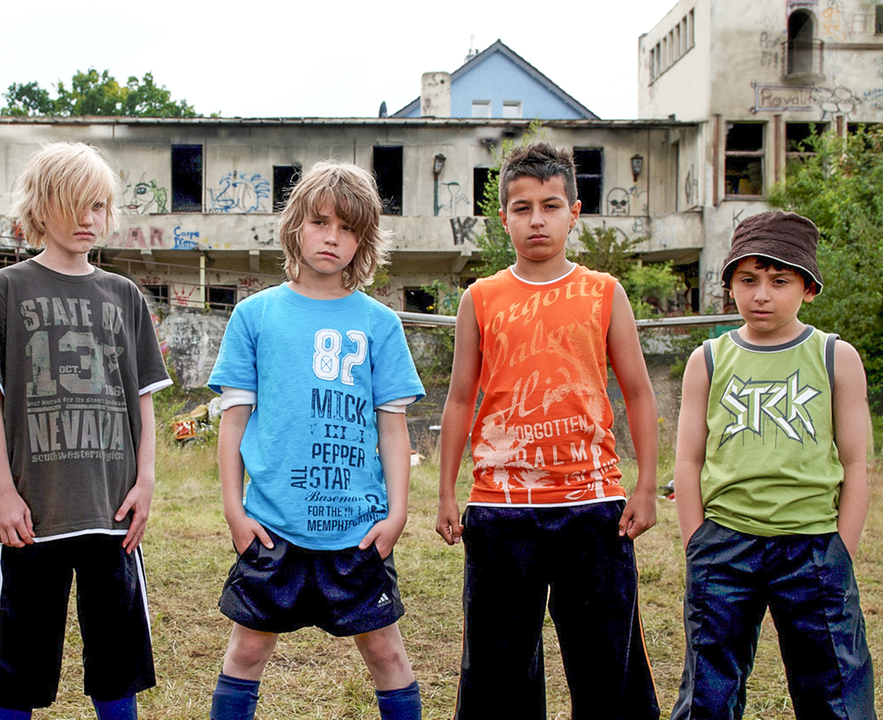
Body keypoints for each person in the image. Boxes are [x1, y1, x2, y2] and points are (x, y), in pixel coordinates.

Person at [434, 142, 661, 719]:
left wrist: (644, 487)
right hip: (502, 508)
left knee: (605, 662)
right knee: (496, 669)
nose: (537, 219)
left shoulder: (604, 292)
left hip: (594, 504)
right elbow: (461, 398)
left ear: (574, 211)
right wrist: (444, 493)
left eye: (551, 205)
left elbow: (637, 391)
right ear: (503, 216)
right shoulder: (480, 298)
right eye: (523, 207)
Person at [206, 160, 426, 720]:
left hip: (357, 531)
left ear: (365, 239)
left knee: (387, 653)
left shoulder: (380, 323)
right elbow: (232, 422)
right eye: (321, 221)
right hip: (273, 525)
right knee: (247, 649)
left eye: (349, 227)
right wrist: (234, 511)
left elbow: (393, 427)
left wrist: (397, 513)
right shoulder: (255, 316)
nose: (333, 237)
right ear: (295, 225)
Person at [0, 142, 171, 720]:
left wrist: (146, 481)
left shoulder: (124, 295)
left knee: (117, 665)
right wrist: (1, 491)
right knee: (16, 671)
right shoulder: (6, 289)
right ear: (39, 208)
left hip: (111, 514)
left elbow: (143, 399)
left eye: (99, 206)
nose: (88, 219)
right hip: (34, 518)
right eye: (75, 205)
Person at [670, 211, 874, 719]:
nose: (762, 294)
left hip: (812, 548)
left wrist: (840, 552)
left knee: (834, 690)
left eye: (779, 281)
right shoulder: (709, 359)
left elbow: (856, 462)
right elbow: (689, 457)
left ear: (807, 288)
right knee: (709, 694)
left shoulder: (835, 356)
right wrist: (697, 541)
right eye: (748, 280)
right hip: (725, 547)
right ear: (730, 286)